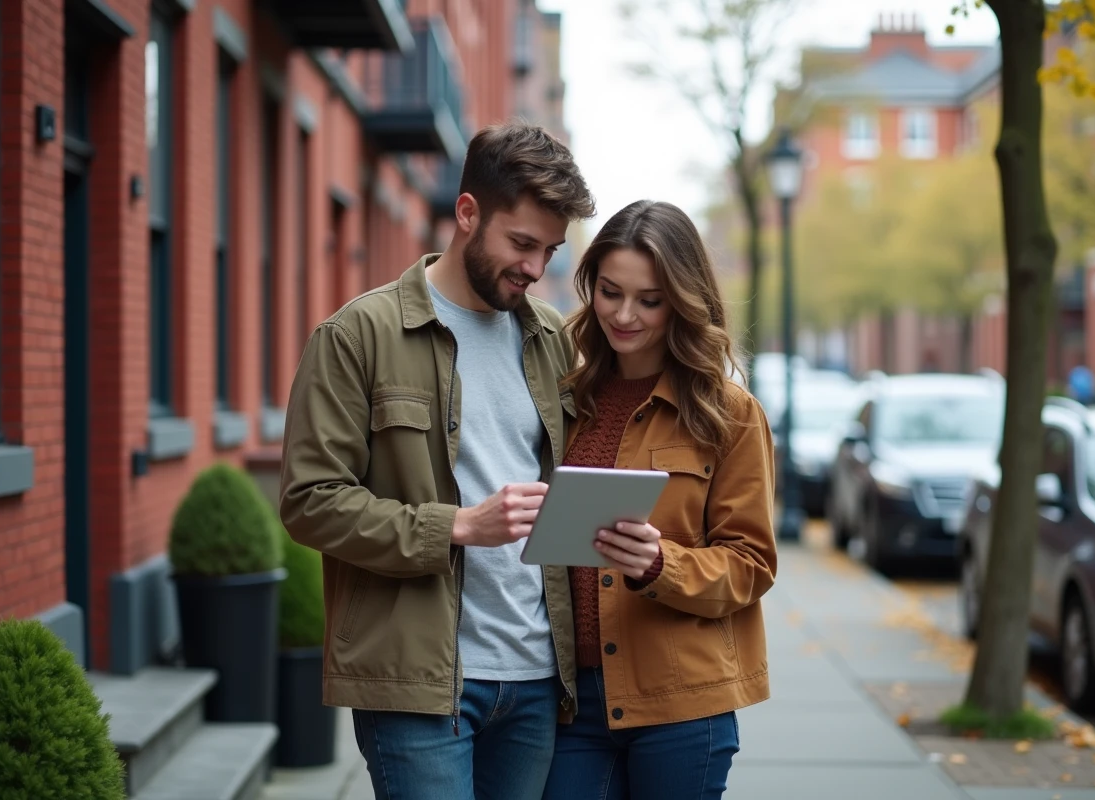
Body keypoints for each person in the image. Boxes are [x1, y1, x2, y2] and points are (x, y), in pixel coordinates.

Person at [279, 121, 595, 800]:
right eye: (521, 244)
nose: (536, 269)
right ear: (466, 213)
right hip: (419, 685)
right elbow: (309, 501)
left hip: (537, 675)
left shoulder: (550, 341)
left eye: (549, 250)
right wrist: (455, 526)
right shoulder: (357, 335)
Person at [542, 200, 779, 800]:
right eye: (609, 291)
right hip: (571, 700)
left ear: (682, 299)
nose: (624, 315)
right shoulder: (563, 401)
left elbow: (751, 564)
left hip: (682, 702)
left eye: (649, 299)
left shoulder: (729, 414)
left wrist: (659, 564)